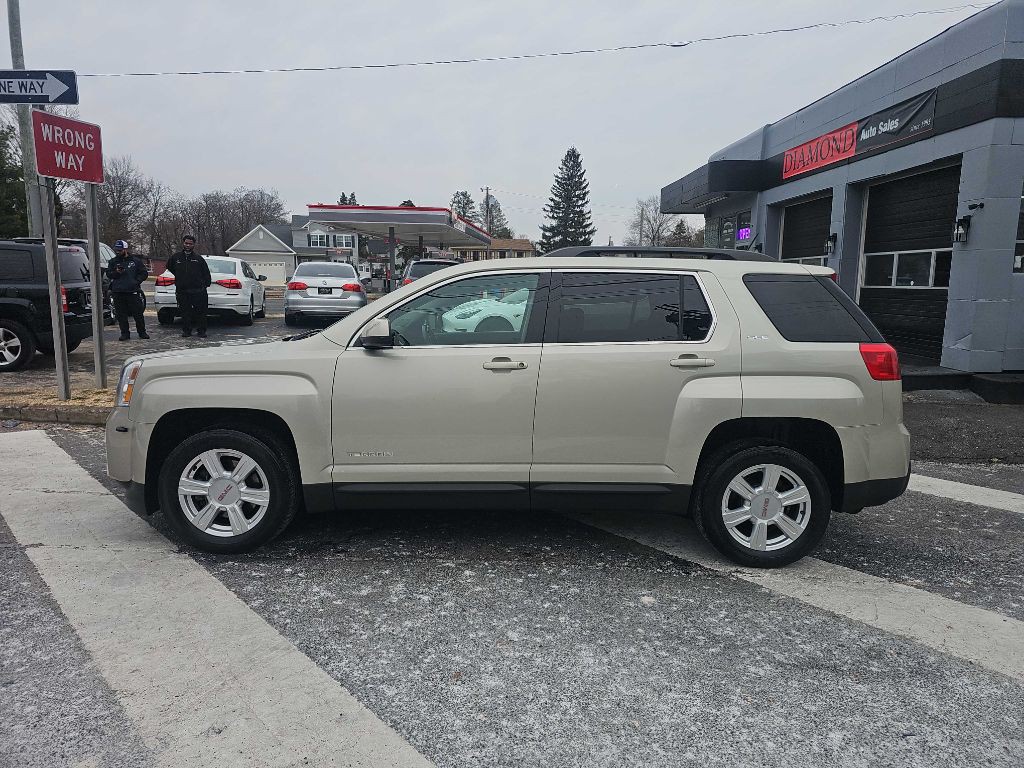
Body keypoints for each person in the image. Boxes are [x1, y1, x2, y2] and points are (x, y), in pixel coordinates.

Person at [166, 235, 211, 338]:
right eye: (186, 243)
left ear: (193, 245)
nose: (188, 245)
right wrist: (180, 276)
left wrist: (205, 285)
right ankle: (186, 331)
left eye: (190, 244)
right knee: (185, 313)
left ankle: (201, 331)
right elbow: (170, 266)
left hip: (198, 291)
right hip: (182, 291)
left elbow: (206, 273)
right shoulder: (176, 257)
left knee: (201, 312)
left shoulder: (198, 259)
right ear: (183, 243)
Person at [106, 240, 149, 341]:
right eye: (116, 250)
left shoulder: (135, 261)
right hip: (118, 291)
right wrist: (116, 272)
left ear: (125, 249)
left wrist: (136, 281)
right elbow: (109, 274)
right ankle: (125, 333)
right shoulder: (113, 261)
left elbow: (144, 273)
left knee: (138, 314)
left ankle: (142, 332)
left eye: (120, 250)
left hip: (132, 291)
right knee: (121, 315)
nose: (118, 252)